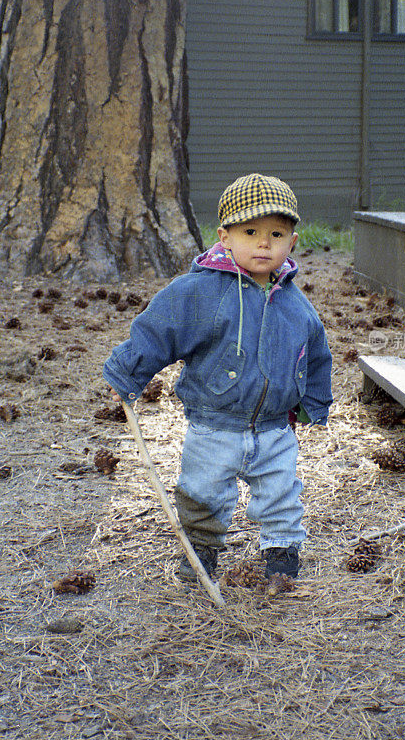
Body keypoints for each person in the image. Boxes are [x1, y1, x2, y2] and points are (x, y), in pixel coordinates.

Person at [103, 172, 333, 581]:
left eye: (277, 234)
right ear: (224, 237)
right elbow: (160, 328)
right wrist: (129, 371)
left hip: (274, 427)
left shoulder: (297, 306)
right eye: (251, 231)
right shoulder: (199, 292)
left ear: (292, 242)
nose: (265, 242)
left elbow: (315, 355)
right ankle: (201, 550)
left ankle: (282, 549)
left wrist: (313, 402)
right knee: (203, 492)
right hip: (213, 424)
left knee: (281, 492)